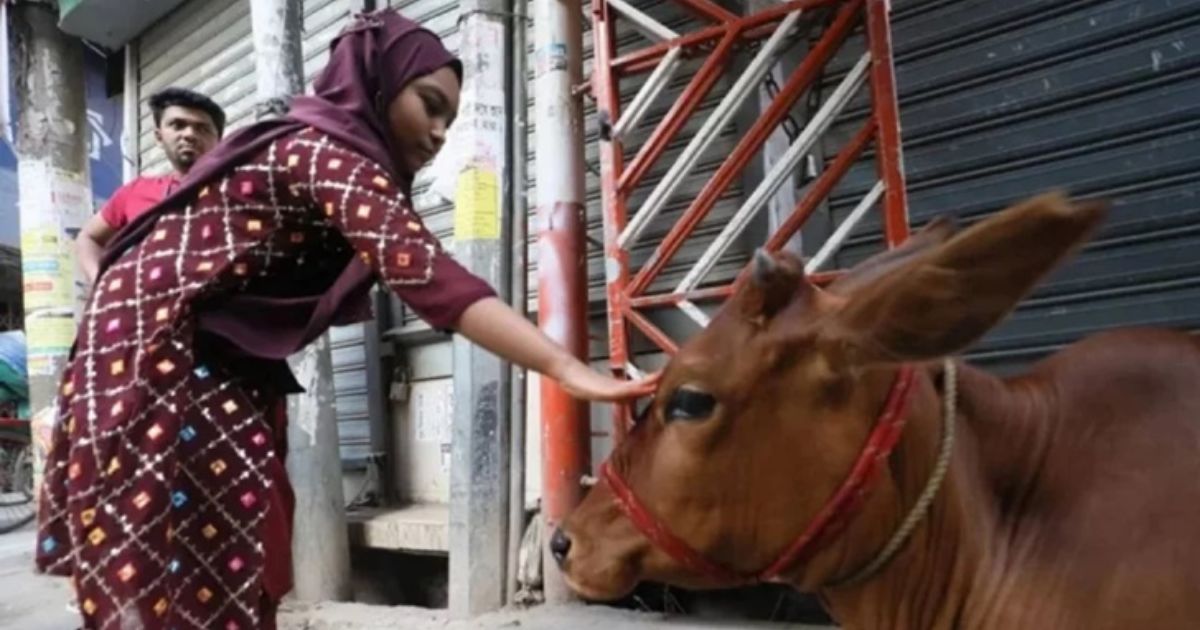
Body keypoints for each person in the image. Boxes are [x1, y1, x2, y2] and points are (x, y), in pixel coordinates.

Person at [36, 10, 656, 630]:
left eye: (450, 118)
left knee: (253, 523)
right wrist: (562, 365)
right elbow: (431, 278)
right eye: (429, 104)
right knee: (188, 538)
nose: (440, 132)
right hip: (156, 347)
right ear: (377, 84)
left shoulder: (330, 154)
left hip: (216, 354)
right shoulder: (325, 153)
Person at [76, 88, 225, 284]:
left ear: (220, 140)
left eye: (202, 128)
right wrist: (103, 287)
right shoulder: (136, 192)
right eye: (178, 125)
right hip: (149, 310)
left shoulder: (239, 188)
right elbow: (88, 237)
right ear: (158, 136)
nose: (189, 134)